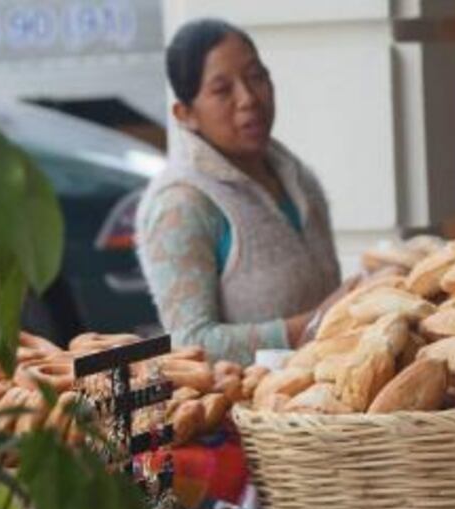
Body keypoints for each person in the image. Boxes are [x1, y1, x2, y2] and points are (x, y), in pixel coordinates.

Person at [136, 19, 348, 365]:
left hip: (322, 390)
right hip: (242, 398)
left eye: (256, 77)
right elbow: (187, 342)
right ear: (185, 114)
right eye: (222, 90)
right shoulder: (181, 205)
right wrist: (312, 325)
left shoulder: (298, 180)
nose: (248, 99)